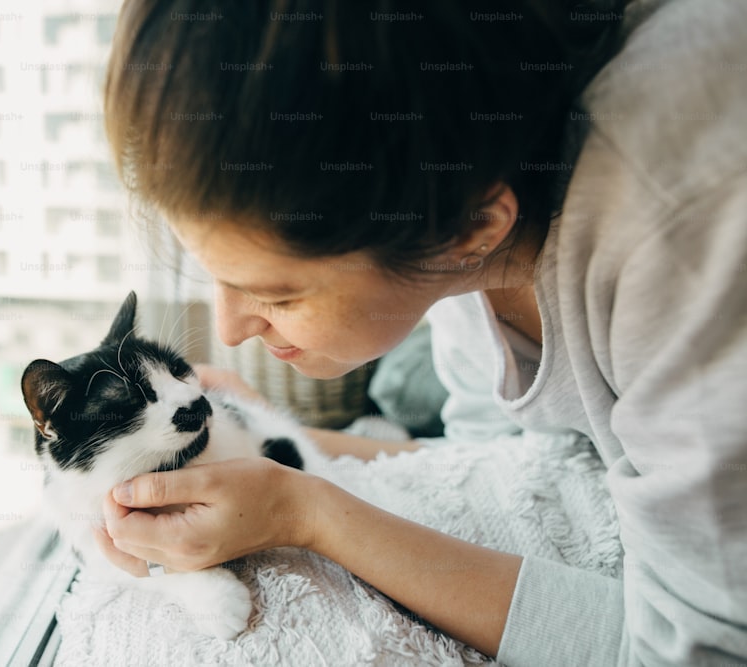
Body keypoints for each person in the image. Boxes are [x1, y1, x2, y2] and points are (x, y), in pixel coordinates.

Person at [90, 0, 747, 664]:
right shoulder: (448, 168)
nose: (230, 330)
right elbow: (499, 465)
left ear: (471, 233)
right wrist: (281, 444)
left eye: (277, 293)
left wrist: (305, 514)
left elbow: (698, 650)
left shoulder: (682, 231)